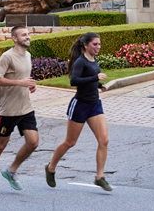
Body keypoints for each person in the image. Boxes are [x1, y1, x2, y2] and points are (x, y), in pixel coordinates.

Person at [46, 31, 112, 192]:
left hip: (94, 104)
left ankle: (99, 177)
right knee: (70, 142)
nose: (98, 47)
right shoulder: (80, 62)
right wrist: (95, 79)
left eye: (99, 44)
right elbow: (74, 81)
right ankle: (51, 167)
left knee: (104, 140)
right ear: (86, 45)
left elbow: (89, 79)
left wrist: (98, 86)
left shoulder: (94, 60)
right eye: (95, 44)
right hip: (80, 105)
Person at [0, 26, 39, 194]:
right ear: (15, 39)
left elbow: (23, 78)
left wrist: (29, 85)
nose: (28, 37)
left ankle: (11, 170)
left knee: (33, 142)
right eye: (24, 35)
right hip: (8, 109)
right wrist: (20, 83)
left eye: (28, 34)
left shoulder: (28, 55)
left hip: (25, 107)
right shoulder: (7, 57)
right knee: (1, 144)